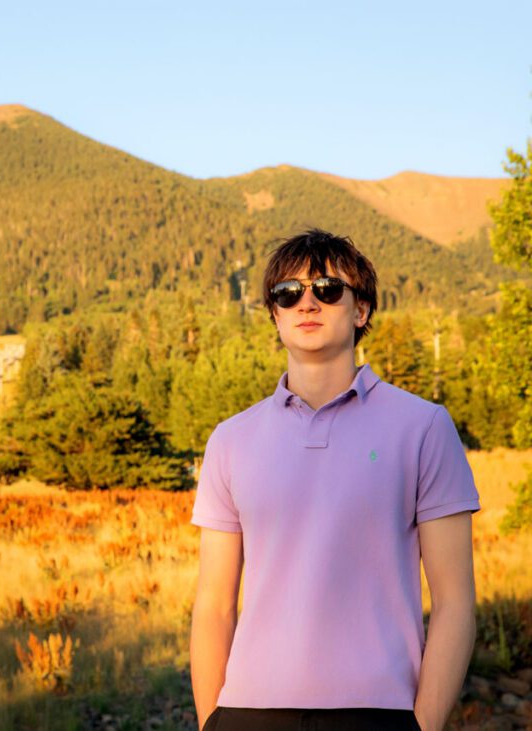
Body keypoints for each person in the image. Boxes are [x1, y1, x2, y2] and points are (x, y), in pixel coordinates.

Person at [189, 229, 481, 731]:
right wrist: (210, 722)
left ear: (361, 310)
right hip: (248, 713)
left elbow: (455, 602)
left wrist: (423, 725)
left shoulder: (424, 427)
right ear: (274, 316)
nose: (307, 302)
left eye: (327, 289)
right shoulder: (230, 440)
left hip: (379, 713)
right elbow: (214, 605)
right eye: (288, 293)